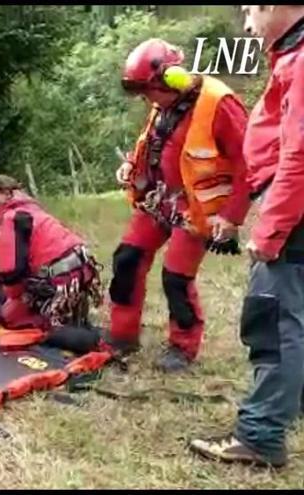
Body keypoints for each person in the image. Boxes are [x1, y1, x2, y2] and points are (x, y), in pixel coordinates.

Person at [189, 4, 304, 469]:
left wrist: (271, 229)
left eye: (253, 9)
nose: (248, 23)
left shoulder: (300, 62)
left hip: (294, 214)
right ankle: (285, 408)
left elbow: (300, 156)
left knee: (275, 322)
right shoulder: (290, 58)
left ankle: (259, 436)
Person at [107, 38, 250, 373]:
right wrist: (132, 164)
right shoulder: (164, 103)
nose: (145, 98)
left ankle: (182, 347)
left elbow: (249, 162)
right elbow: (157, 144)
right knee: (127, 259)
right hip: (158, 200)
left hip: (195, 209)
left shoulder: (219, 103)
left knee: (175, 278)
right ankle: (122, 335)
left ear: (172, 78)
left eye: (148, 90)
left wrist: (231, 217)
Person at [0, 175, 101, 333]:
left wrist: (12, 299)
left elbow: (12, 274)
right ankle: (69, 313)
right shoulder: (31, 209)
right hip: (82, 273)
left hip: (61, 281)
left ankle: (59, 326)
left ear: (7, 195)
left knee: (10, 316)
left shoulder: (10, 218)